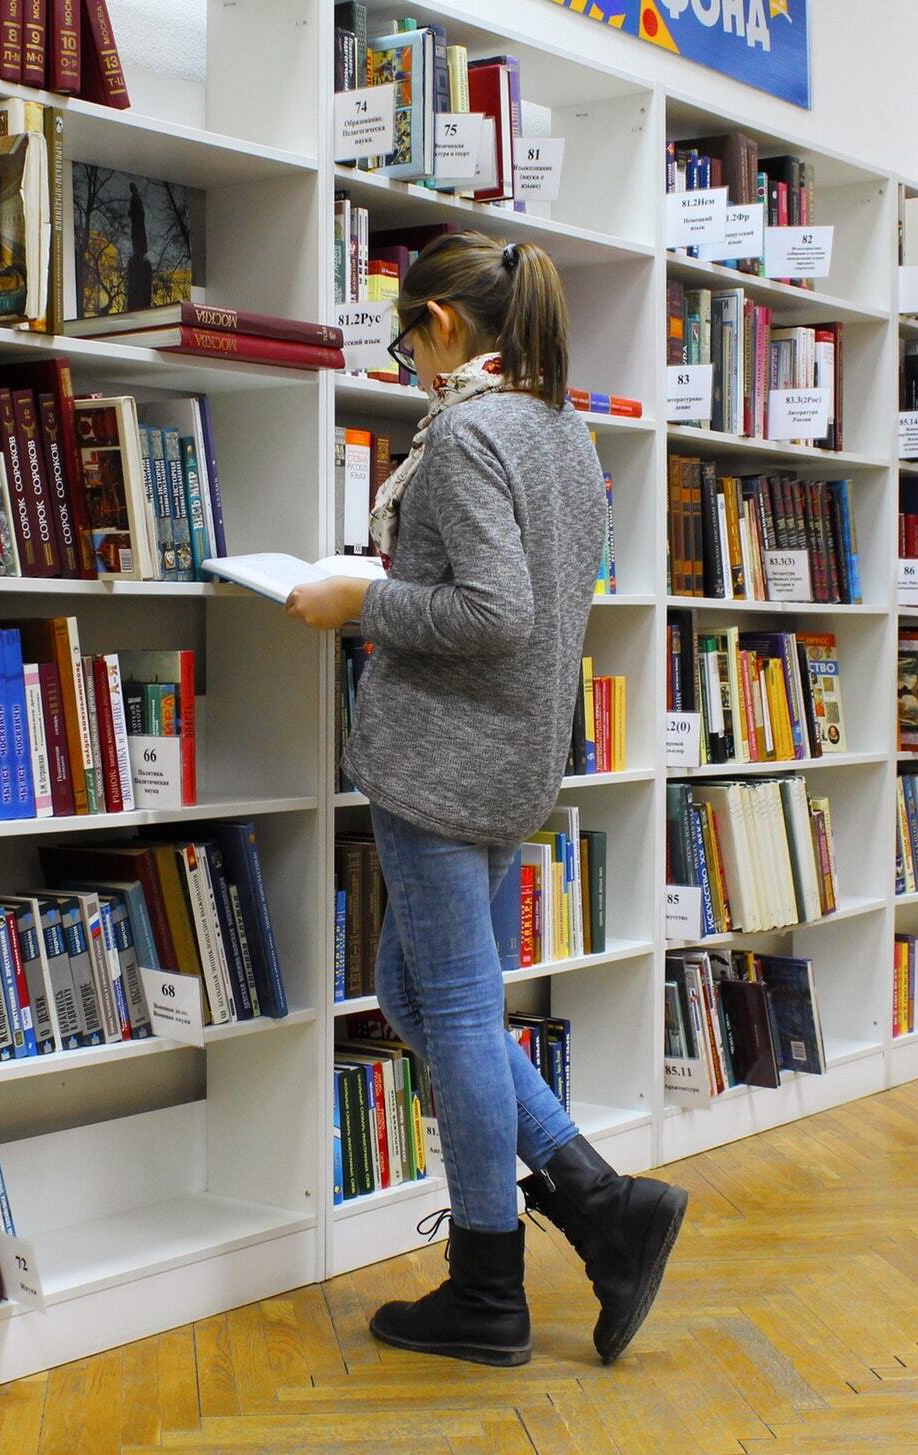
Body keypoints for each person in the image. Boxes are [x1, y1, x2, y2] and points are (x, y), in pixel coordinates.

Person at [286, 233, 687, 1369]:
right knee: (411, 989)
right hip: (514, 756)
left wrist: (358, 600)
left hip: (443, 758)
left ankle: (487, 1285)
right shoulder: (563, 431)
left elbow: (493, 613)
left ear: (446, 328)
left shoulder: (464, 435)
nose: (407, 360)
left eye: (407, 337)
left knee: (453, 1010)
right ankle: (596, 1197)